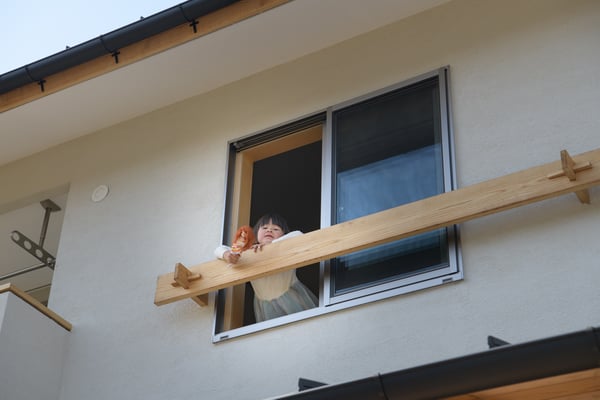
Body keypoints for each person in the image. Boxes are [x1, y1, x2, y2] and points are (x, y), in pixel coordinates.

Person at [214, 212, 318, 322]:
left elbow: (298, 234)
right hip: (264, 305)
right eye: (264, 228)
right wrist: (226, 255)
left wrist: (272, 245)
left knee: (306, 323)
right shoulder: (249, 253)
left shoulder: (285, 248)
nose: (269, 230)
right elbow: (218, 249)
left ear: (284, 235)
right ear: (255, 235)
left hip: (292, 297)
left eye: (276, 229)